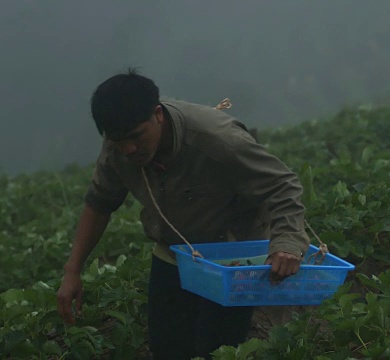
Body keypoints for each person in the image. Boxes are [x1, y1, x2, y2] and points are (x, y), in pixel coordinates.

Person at [56, 68, 311, 359]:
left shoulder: (217, 139)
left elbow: (282, 184)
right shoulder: (118, 146)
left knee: (219, 349)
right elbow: (100, 202)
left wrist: (287, 243)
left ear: (158, 114)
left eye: (136, 136)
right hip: (173, 254)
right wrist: (73, 270)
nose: (130, 149)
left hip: (229, 258)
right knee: (168, 349)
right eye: (118, 141)